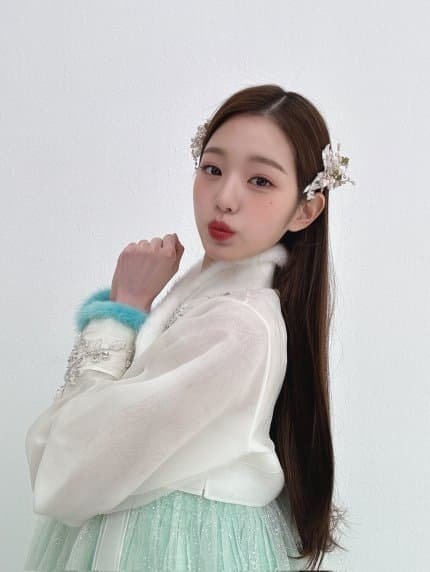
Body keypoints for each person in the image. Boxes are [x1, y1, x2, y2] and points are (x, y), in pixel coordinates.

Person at [23, 84, 355, 571]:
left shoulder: (237, 325)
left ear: (305, 211)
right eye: (213, 169)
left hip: (173, 548)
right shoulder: (206, 296)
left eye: (260, 181)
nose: (225, 198)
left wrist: (123, 311)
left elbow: (70, 467)